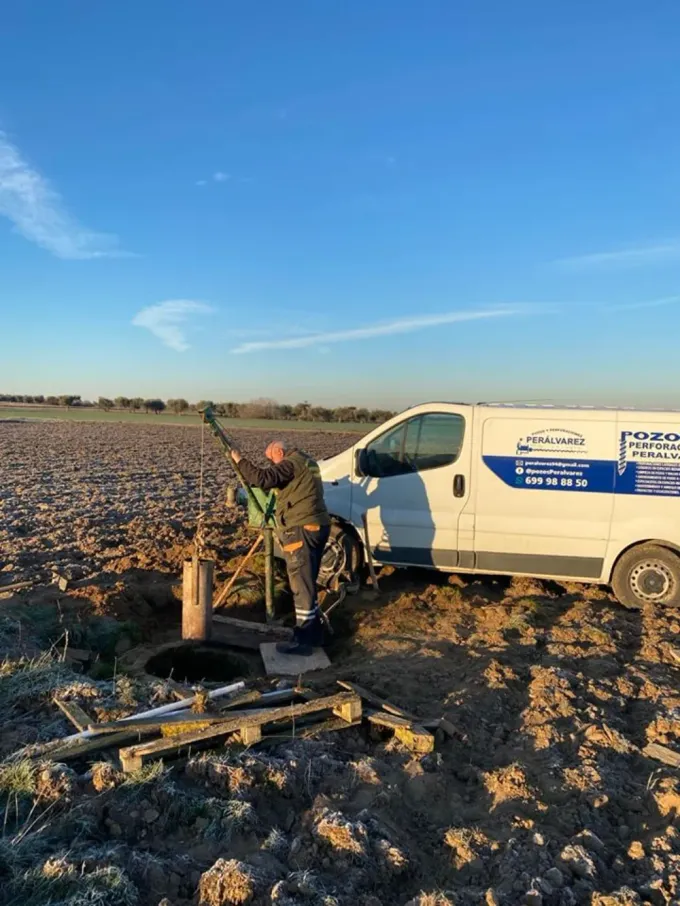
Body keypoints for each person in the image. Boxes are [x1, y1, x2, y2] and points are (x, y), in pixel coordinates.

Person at [230, 440, 330, 656]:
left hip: (300, 530)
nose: (272, 464)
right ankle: (314, 634)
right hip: (317, 526)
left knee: (300, 585)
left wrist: (239, 460)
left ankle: (303, 641)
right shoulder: (308, 462)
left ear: (280, 452)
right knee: (308, 582)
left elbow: (263, 479)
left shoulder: (291, 463)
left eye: (272, 459)